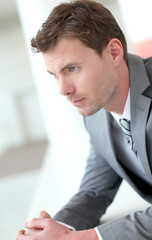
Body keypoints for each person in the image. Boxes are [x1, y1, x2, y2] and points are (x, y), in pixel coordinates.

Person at [16, 0, 152, 239]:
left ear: (113, 52)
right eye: (54, 75)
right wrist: (51, 229)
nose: (63, 89)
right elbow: (94, 192)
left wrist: (78, 238)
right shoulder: (97, 114)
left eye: (72, 69)